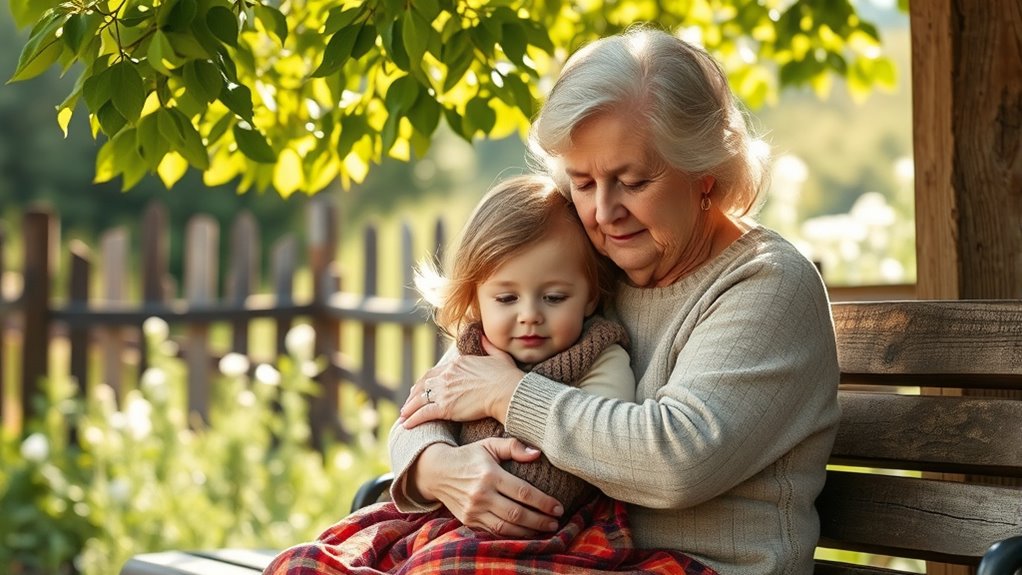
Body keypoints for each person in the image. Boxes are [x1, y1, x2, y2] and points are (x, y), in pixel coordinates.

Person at [390, 25, 841, 575]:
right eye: (583, 183)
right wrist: (436, 466)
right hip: (565, 553)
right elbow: (441, 391)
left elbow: (677, 461)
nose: (604, 213)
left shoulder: (768, 284)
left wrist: (510, 396)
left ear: (704, 174)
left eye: (633, 181)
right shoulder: (588, 264)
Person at [263, 175, 713, 573]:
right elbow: (415, 419)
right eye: (507, 299)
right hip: (451, 512)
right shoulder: (474, 346)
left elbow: (599, 432)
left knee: (444, 567)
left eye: (555, 298)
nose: (529, 315)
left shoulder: (597, 353)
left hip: (550, 527)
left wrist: (506, 398)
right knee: (299, 564)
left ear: (591, 297)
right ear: (476, 300)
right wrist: (439, 465)